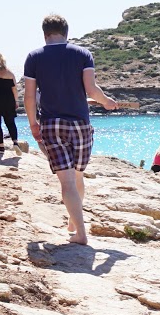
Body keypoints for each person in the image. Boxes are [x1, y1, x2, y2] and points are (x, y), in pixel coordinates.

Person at [23, 13, 123, 245]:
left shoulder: (34, 57)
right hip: (81, 124)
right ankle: (74, 223)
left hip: (52, 124)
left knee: (67, 182)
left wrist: (33, 123)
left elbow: (29, 96)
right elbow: (92, 90)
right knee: (77, 176)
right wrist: (106, 101)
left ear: (45, 34)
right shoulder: (82, 54)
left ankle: (80, 232)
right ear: (66, 33)